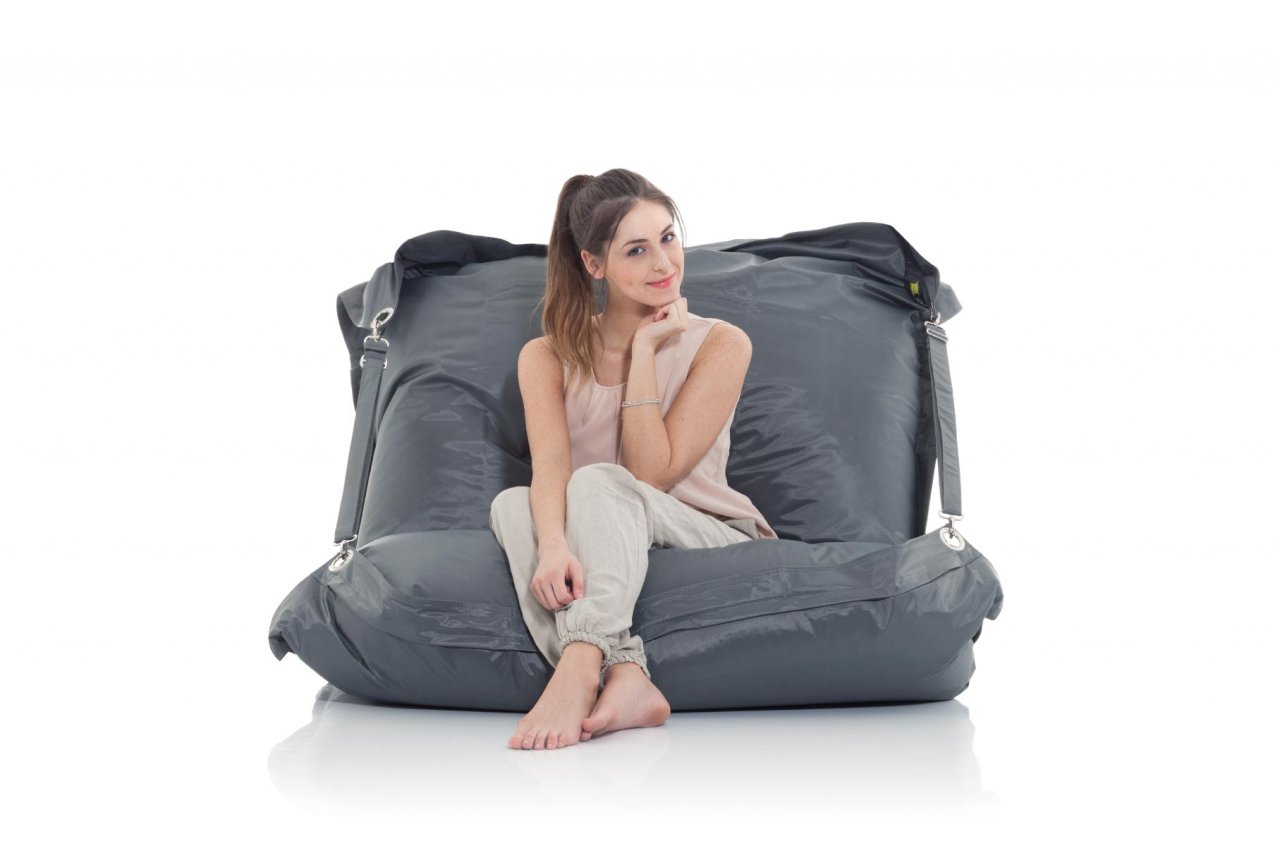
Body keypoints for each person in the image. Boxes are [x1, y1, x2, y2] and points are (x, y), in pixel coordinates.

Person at [488, 168, 777, 751]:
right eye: (637, 250)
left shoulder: (723, 343)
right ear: (594, 265)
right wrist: (554, 547)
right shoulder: (544, 356)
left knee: (601, 480)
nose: (663, 264)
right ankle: (624, 673)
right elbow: (551, 469)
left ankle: (579, 665)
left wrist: (645, 350)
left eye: (668, 238)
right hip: (608, 536)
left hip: (706, 532)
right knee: (513, 504)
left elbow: (649, 476)